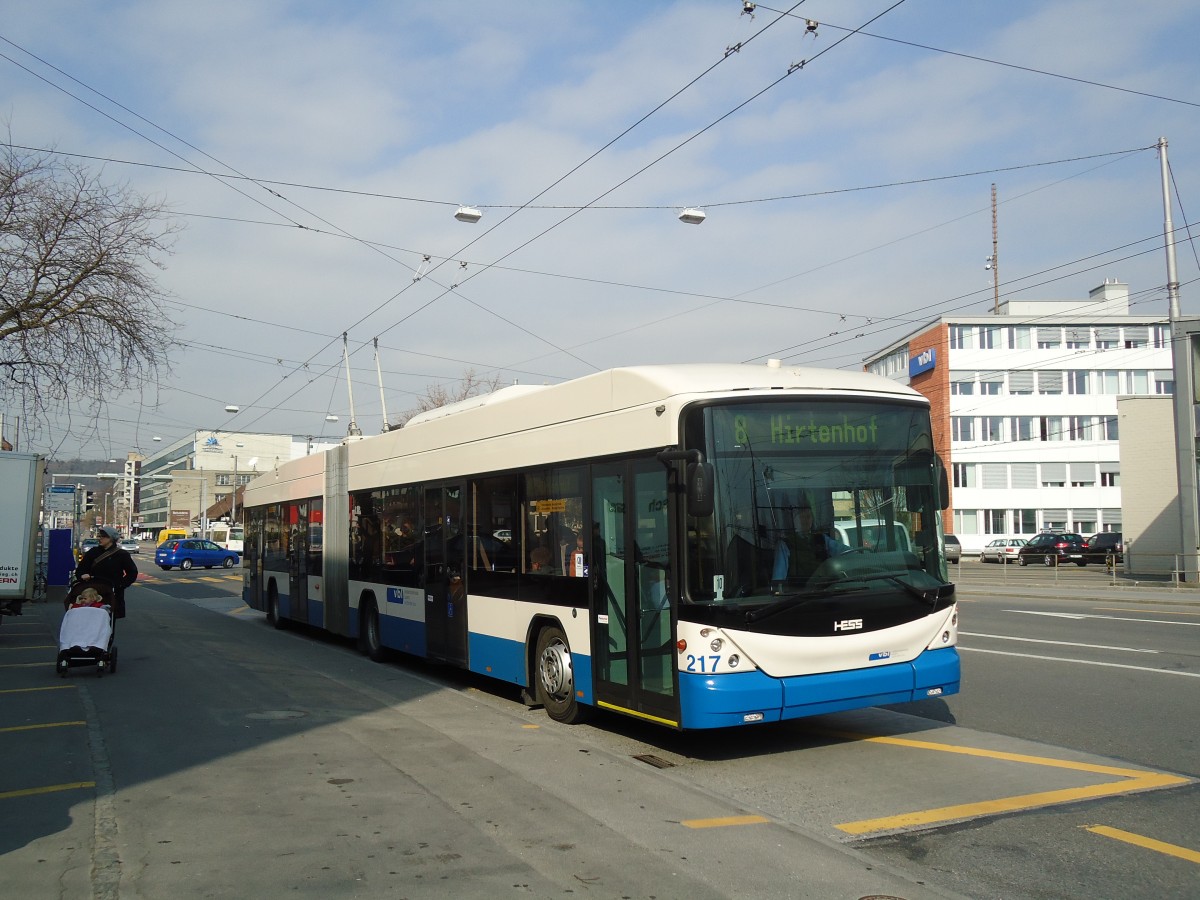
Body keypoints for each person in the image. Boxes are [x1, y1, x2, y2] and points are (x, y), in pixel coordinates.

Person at [771, 498, 847, 588]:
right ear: (795, 520)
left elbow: (843, 551)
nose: (806, 521)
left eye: (808, 517)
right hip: (798, 594)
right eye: (802, 517)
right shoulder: (785, 544)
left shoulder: (822, 539)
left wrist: (861, 554)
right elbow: (778, 578)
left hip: (824, 591)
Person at [74, 525, 138, 618]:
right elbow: (81, 569)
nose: (100, 539)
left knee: (109, 621)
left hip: (112, 593)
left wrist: (120, 585)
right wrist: (82, 576)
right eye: (99, 536)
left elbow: (132, 573)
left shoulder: (122, 555)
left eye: (103, 537)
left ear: (111, 539)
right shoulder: (93, 552)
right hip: (92, 592)